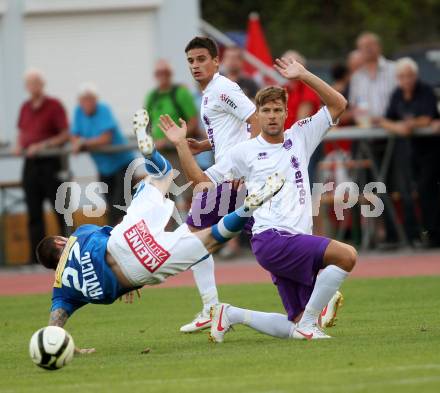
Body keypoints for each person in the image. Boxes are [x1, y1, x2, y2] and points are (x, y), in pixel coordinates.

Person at [37, 109, 282, 353]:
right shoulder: (79, 236)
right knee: (159, 176)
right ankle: (149, 152)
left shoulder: (62, 288)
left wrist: (74, 350)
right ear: (60, 242)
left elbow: (53, 328)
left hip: (138, 270)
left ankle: (248, 208)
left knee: (209, 241)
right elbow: (109, 236)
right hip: (125, 238)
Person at [159, 57, 355, 341]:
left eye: (277, 110)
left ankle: (231, 314)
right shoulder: (244, 152)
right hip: (273, 239)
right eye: (266, 110)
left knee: (294, 324)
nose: (272, 115)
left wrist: (303, 75)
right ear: (258, 115)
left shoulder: (300, 135)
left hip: (290, 240)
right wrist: (180, 145)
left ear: (286, 113)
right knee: (347, 256)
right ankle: (310, 324)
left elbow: (338, 105)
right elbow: (201, 183)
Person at [179, 36, 260, 333]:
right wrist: (203, 145)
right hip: (228, 175)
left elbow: (256, 118)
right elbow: (232, 129)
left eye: (201, 59)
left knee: (194, 237)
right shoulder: (210, 93)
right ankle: (211, 308)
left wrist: (246, 161)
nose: (196, 66)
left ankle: (211, 308)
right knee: (270, 241)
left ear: (216, 61)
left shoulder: (223, 88)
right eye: (191, 61)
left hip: (232, 177)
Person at [377, 57, 440, 247]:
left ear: (416, 75)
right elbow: (385, 119)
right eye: (402, 76)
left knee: (427, 189)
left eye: (409, 76)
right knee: (409, 190)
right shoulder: (397, 94)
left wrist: (410, 124)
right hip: (409, 151)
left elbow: (428, 118)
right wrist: (398, 127)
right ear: (398, 78)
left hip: (430, 149)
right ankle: (416, 234)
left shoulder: (426, 91)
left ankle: (433, 235)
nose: (406, 80)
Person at [15, 69, 69, 264]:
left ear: (42, 84)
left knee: (60, 210)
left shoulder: (54, 105)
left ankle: (70, 253)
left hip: (50, 163)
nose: (33, 87)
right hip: (30, 165)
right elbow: (22, 133)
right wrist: (20, 145)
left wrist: (43, 145)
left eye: (36, 82)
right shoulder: (25, 107)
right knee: (33, 212)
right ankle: (36, 259)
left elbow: (65, 135)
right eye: (30, 83)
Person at [71, 83, 135, 226]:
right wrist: (79, 142)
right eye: (84, 100)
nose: (87, 103)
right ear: (80, 101)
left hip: (123, 165)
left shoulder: (103, 109)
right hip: (104, 169)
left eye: (90, 99)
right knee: (111, 208)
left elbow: (106, 138)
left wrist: (83, 143)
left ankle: (123, 242)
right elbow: (74, 136)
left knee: (121, 207)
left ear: (95, 100)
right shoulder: (78, 112)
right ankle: (113, 242)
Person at [144, 59, 198, 150]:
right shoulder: (151, 96)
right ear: (155, 75)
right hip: (157, 150)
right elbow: (146, 122)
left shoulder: (181, 93)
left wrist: (170, 140)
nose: (162, 75)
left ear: (171, 73)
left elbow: (193, 122)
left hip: (178, 150)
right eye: (159, 73)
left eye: (165, 72)